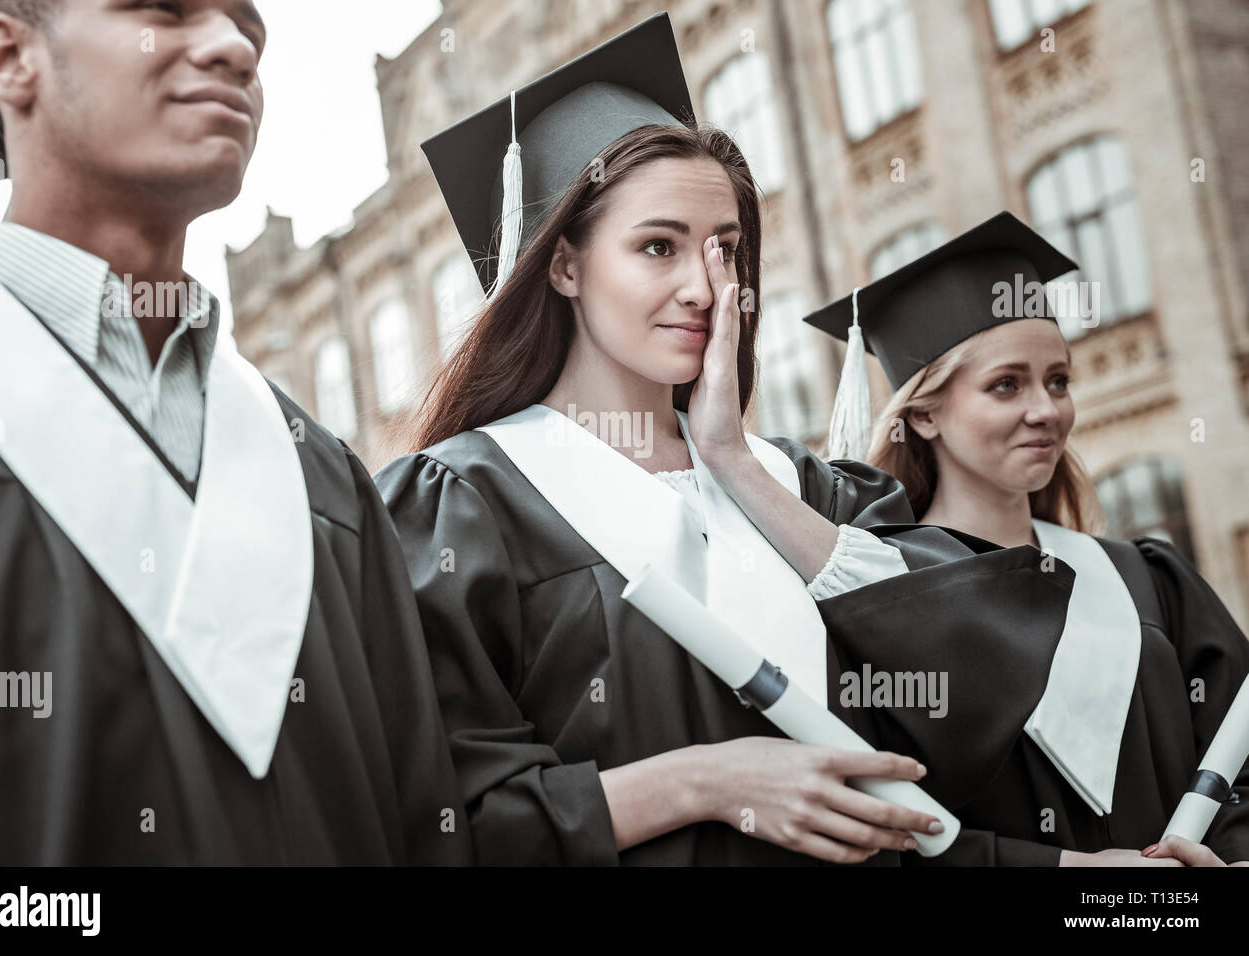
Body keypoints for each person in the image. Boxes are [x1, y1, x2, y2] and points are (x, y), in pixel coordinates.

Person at [374, 14, 1075, 866]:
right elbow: (438, 818)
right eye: (657, 247)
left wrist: (734, 461)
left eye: (726, 249)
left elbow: (964, 687)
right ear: (563, 266)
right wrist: (706, 782)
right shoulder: (464, 507)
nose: (704, 288)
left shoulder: (804, 488)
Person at [0, 0, 471, 865]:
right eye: (163, 11)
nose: (234, 47)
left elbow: (421, 820)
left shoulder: (320, 475)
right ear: (11, 58)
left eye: (249, 31)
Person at [806, 210, 1249, 867]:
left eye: (1059, 380)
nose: (1045, 410)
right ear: (923, 414)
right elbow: (889, 831)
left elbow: (1238, 767)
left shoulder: (1145, 581)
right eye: (1006, 384)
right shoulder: (878, 600)